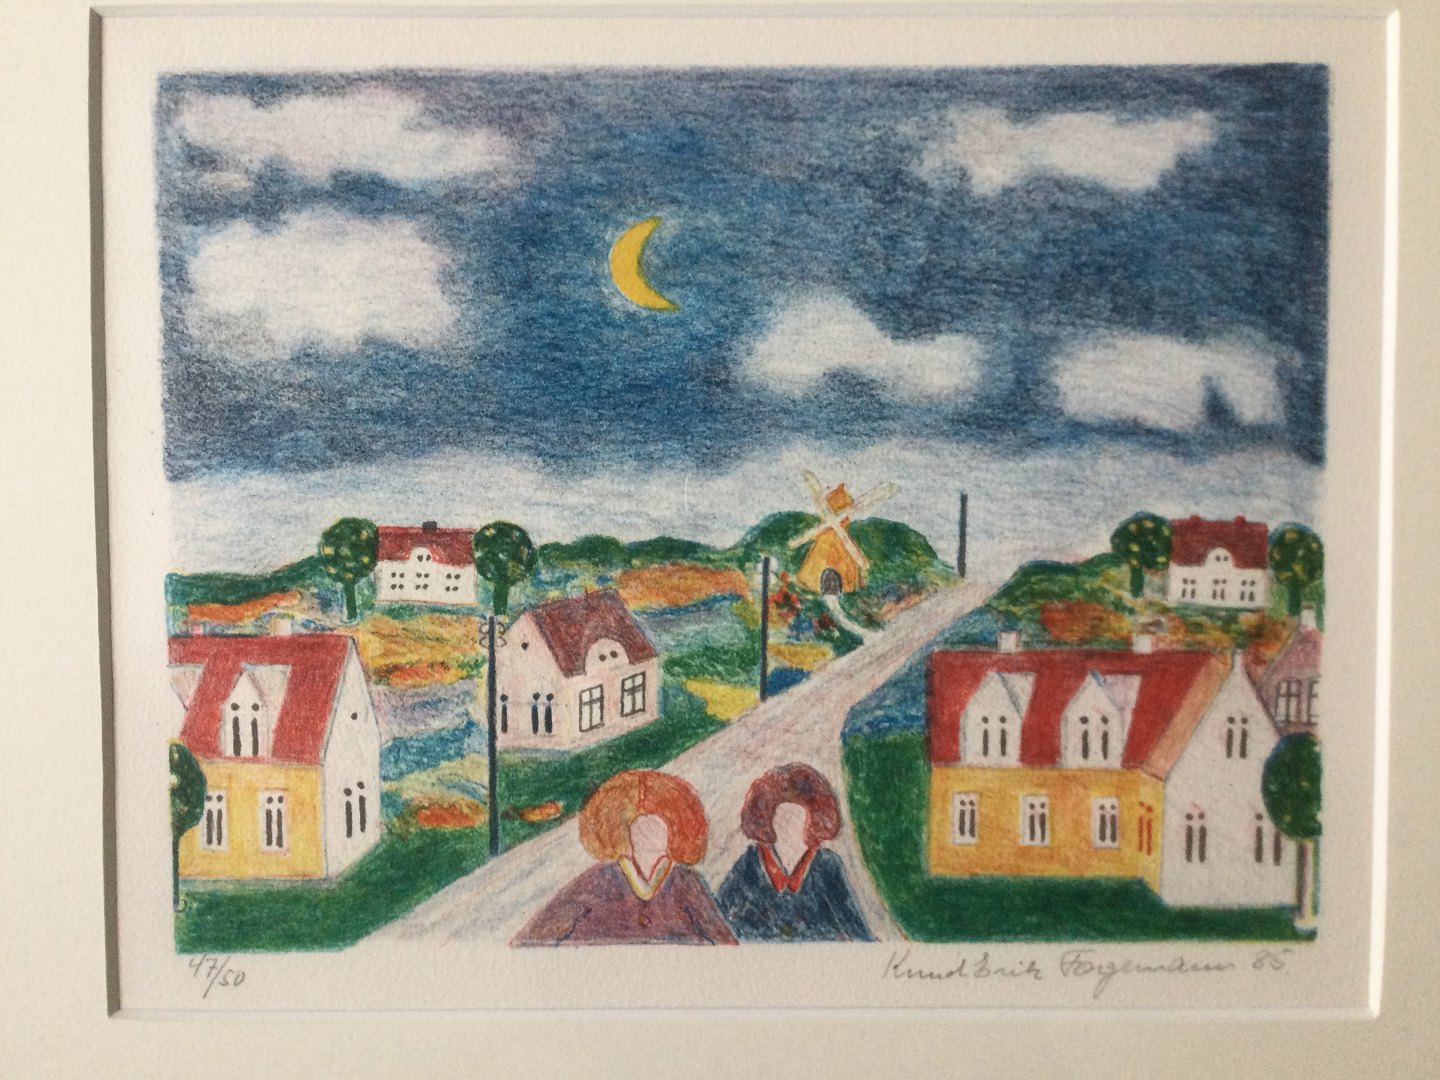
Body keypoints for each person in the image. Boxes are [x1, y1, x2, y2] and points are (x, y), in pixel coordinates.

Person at [512, 769, 736, 946]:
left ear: (675, 830)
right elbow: (535, 937)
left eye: (658, 824)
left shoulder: (688, 883)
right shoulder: (598, 880)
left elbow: (725, 943)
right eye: (640, 824)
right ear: (622, 830)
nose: (648, 832)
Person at [715, 762, 873, 942]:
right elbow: (720, 926)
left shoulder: (827, 865)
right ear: (766, 819)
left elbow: (857, 933)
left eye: (796, 818)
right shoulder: (749, 864)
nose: (789, 828)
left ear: (814, 820)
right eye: (782, 818)